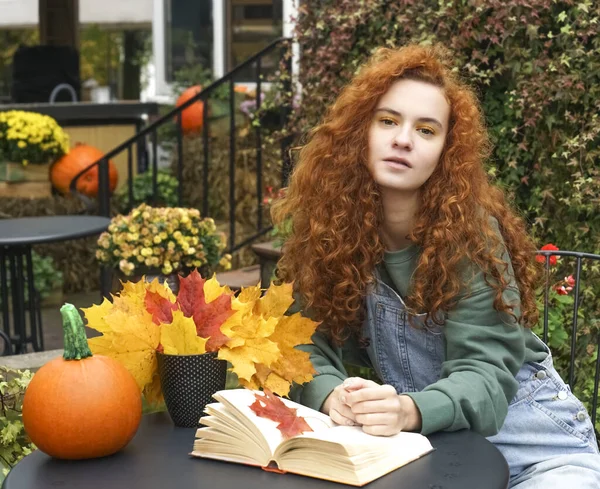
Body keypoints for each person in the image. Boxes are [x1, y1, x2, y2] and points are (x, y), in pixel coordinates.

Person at [271, 44, 600, 487]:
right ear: (359, 133)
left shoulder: (470, 236)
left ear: (446, 151)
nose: (403, 139)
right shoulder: (334, 234)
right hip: (438, 457)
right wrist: (331, 394)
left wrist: (409, 409)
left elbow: (484, 375)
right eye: (387, 121)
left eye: (426, 130)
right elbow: (302, 339)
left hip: (540, 453)